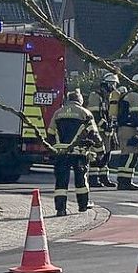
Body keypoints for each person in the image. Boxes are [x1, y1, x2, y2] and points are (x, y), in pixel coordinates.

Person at [48, 89, 101, 217]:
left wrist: (54, 149)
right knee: (81, 180)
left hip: (61, 153)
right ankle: (83, 206)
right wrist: (100, 149)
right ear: (80, 100)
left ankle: (61, 209)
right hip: (79, 153)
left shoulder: (58, 113)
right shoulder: (85, 113)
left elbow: (50, 133)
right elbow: (93, 133)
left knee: (61, 182)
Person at [116, 74, 138, 191]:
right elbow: (137, 116)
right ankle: (125, 182)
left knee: (127, 155)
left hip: (125, 129)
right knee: (130, 156)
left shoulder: (128, 95)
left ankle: (124, 180)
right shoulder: (136, 96)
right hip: (130, 130)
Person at [85, 72, 120, 188]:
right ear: (107, 83)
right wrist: (104, 125)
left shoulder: (107, 96)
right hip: (97, 131)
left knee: (106, 155)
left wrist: (111, 125)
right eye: (112, 84)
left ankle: (104, 178)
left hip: (106, 132)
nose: (113, 87)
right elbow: (94, 114)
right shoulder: (95, 96)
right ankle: (93, 179)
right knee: (96, 154)